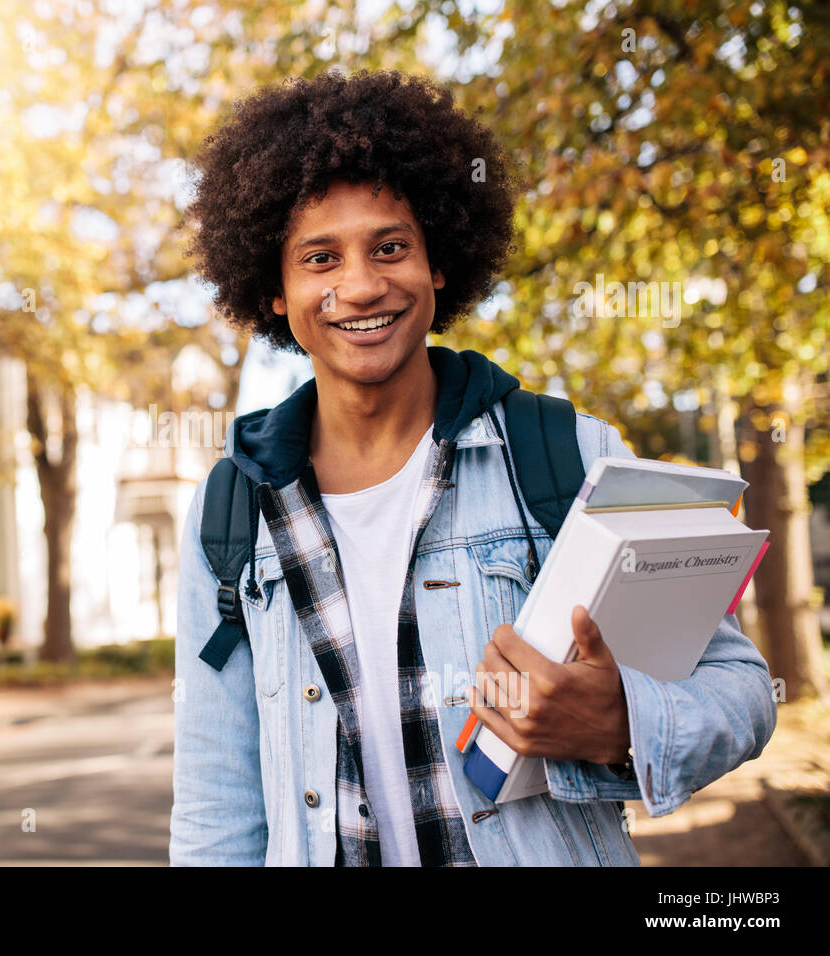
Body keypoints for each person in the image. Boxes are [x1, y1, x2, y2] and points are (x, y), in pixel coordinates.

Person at [168, 69, 777, 866]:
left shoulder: (568, 458)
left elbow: (742, 690)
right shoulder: (233, 511)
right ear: (275, 292)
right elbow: (218, 802)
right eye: (319, 258)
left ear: (439, 263)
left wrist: (625, 720)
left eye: (391, 246)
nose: (360, 285)